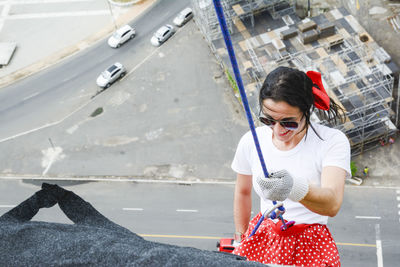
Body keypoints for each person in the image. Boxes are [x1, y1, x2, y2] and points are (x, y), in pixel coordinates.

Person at [231, 67, 351, 266]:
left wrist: (293, 187)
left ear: (306, 111)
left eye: (289, 122)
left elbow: (332, 204)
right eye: (268, 120)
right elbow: (242, 192)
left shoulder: (331, 141)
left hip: (310, 244)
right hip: (262, 237)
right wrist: (239, 238)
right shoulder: (252, 140)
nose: (278, 130)